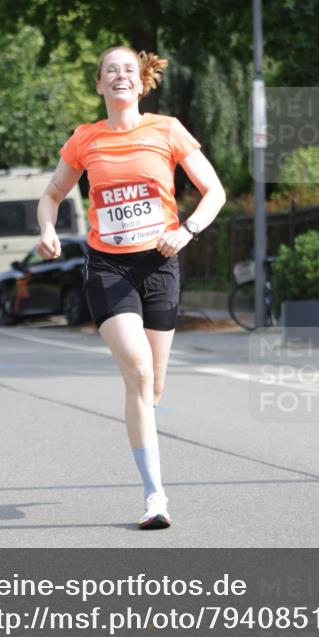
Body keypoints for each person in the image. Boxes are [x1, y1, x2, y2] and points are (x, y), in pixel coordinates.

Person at [36, 45, 226, 529]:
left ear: (140, 84)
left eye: (128, 70)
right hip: (108, 269)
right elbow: (53, 193)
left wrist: (186, 231)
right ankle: (155, 497)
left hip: (160, 264)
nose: (120, 77)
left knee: (153, 386)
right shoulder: (85, 139)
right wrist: (48, 228)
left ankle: (142, 431)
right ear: (99, 85)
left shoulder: (166, 129)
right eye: (110, 71)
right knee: (139, 373)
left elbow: (214, 191)